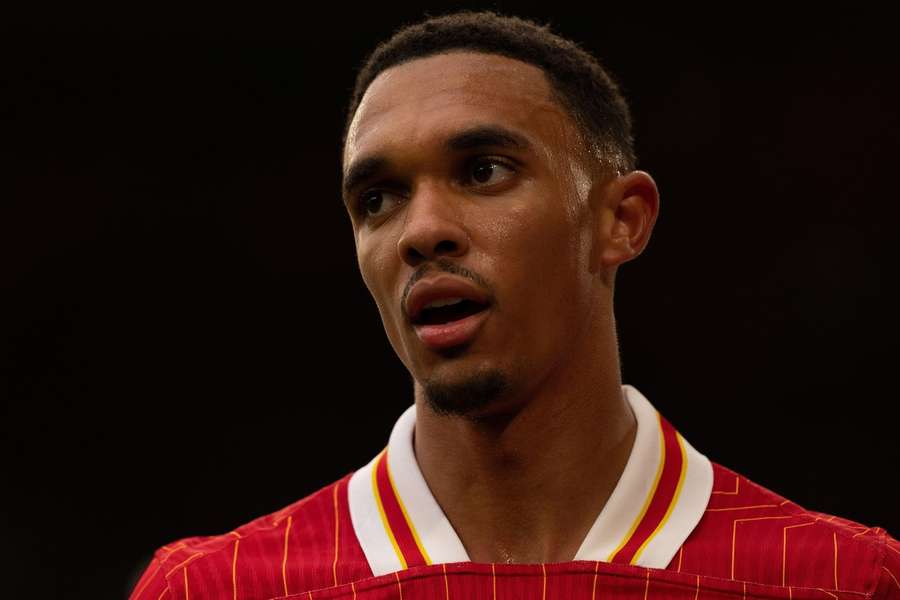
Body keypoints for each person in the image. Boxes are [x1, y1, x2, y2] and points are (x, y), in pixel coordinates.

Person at [129, 11, 899, 600]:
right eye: (378, 198)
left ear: (620, 220)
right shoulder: (215, 587)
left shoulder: (841, 580)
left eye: (484, 170)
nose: (421, 231)